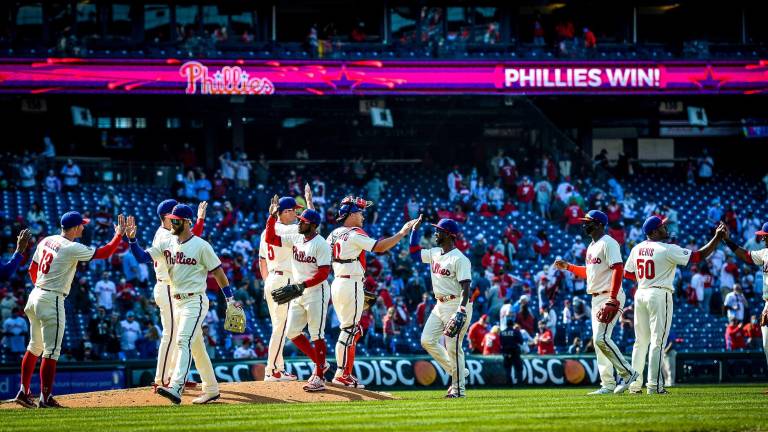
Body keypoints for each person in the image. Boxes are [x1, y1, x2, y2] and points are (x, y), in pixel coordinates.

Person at [126, 206, 236, 405]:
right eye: (171, 219)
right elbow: (142, 257)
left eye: (176, 220)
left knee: (182, 340)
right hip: (177, 302)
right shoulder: (167, 242)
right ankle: (211, 389)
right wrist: (132, 240)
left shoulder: (201, 245)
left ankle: (176, 386)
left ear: (187, 222)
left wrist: (229, 299)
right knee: (197, 348)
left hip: (195, 300)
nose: (172, 222)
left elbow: (218, 272)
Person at [14, 212, 125, 408]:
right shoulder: (71, 247)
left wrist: (42, 287)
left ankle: (23, 391)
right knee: (51, 352)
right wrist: (118, 235)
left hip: (35, 295)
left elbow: (32, 269)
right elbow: (105, 253)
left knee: (34, 347)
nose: (84, 227)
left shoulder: (46, 240)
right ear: (74, 228)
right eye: (81, 224)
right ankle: (45, 398)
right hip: (52, 298)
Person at [622, 216, 725, 395]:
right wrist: (716, 238)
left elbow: (627, 273)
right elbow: (698, 256)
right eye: (662, 226)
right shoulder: (667, 249)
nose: (665, 228)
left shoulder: (637, 248)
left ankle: (635, 385)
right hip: (659, 294)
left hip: (641, 293)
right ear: (654, 232)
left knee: (640, 342)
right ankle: (654, 386)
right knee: (658, 341)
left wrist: (645, 280)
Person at [326, 196, 420, 388]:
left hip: (337, 282)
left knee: (351, 330)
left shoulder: (333, 234)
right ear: (351, 214)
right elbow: (380, 247)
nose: (363, 215)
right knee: (349, 330)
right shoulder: (354, 232)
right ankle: (341, 374)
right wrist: (402, 232)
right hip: (350, 283)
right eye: (360, 212)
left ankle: (345, 373)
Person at [555, 210, 637, 395]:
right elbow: (589, 272)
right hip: (596, 297)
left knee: (601, 339)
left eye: (588, 222)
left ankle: (628, 373)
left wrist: (612, 298)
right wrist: (568, 267)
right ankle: (607, 384)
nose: (584, 225)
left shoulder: (609, 242)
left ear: (599, 224)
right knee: (598, 342)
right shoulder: (592, 246)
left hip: (609, 295)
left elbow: (618, 269)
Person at [265, 205, 331, 393]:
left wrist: (303, 285)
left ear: (313, 225)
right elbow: (271, 239)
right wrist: (271, 217)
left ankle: (319, 376)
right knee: (291, 331)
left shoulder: (321, 244)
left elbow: (324, 273)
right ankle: (321, 363)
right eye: (300, 220)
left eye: (303, 221)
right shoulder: (297, 237)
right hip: (298, 291)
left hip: (316, 292)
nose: (299, 223)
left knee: (317, 334)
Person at [410, 217, 473, 398]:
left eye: (439, 231)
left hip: (457, 303)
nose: (435, 233)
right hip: (439, 305)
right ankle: (457, 371)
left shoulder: (460, 259)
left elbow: (466, 288)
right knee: (427, 340)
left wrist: (461, 310)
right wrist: (414, 231)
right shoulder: (435, 252)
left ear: (449, 235)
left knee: (453, 347)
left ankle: (458, 390)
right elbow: (414, 254)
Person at [148, 199, 206, 391]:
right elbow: (192, 240)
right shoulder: (165, 235)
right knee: (171, 334)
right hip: (166, 286)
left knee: (177, 335)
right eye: (173, 213)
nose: (177, 217)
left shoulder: (167, 233)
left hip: (171, 287)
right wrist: (200, 220)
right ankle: (161, 380)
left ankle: (173, 376)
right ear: (166, 217)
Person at [258, 190, 314, 382]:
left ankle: (278, 368)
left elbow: (262, 261)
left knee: (278, 327)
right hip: (285, 279)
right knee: (280, 328)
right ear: (284, 212)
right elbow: (312, 228)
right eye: (293, 210)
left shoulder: (266, 231)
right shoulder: (288, 230)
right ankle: (272, 370)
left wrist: (267, 283)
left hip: (272, 279)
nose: (296, 214)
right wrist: (310, 204)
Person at [720, 222, 768, 381]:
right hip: (767, 302)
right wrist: (727, 240)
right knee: (766, 343)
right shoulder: (765, 253)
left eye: (765, 236)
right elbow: (745, 255)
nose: (762, 239)